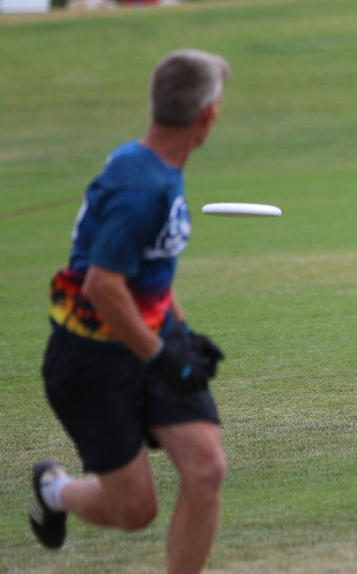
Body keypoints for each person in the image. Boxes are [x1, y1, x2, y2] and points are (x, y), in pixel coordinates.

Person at [30, 50, 231, 573]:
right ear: (207, 115)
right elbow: (102, 287)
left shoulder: (156, 165)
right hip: (91, 361)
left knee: (207, 469)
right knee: (135, 510)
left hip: (147, 335)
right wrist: (163, 357)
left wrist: (181, 333)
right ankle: (54, 490)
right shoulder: (140, 187)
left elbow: (151, 269)